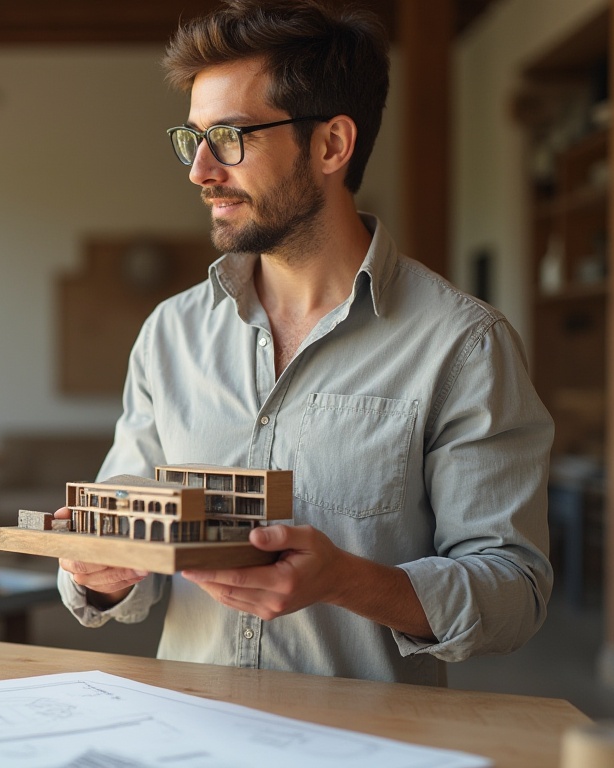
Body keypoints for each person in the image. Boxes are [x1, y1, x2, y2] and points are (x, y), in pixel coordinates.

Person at [55, 0, 553, 687]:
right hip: (187, 734)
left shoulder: (463, 346)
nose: (200, 169)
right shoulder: (169, 334)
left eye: (230, 136)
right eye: (193, 137)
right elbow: (122, 547)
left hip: (365, 747)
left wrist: (348, 581)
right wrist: (99, 571)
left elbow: (514, 593)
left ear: (330, 145)